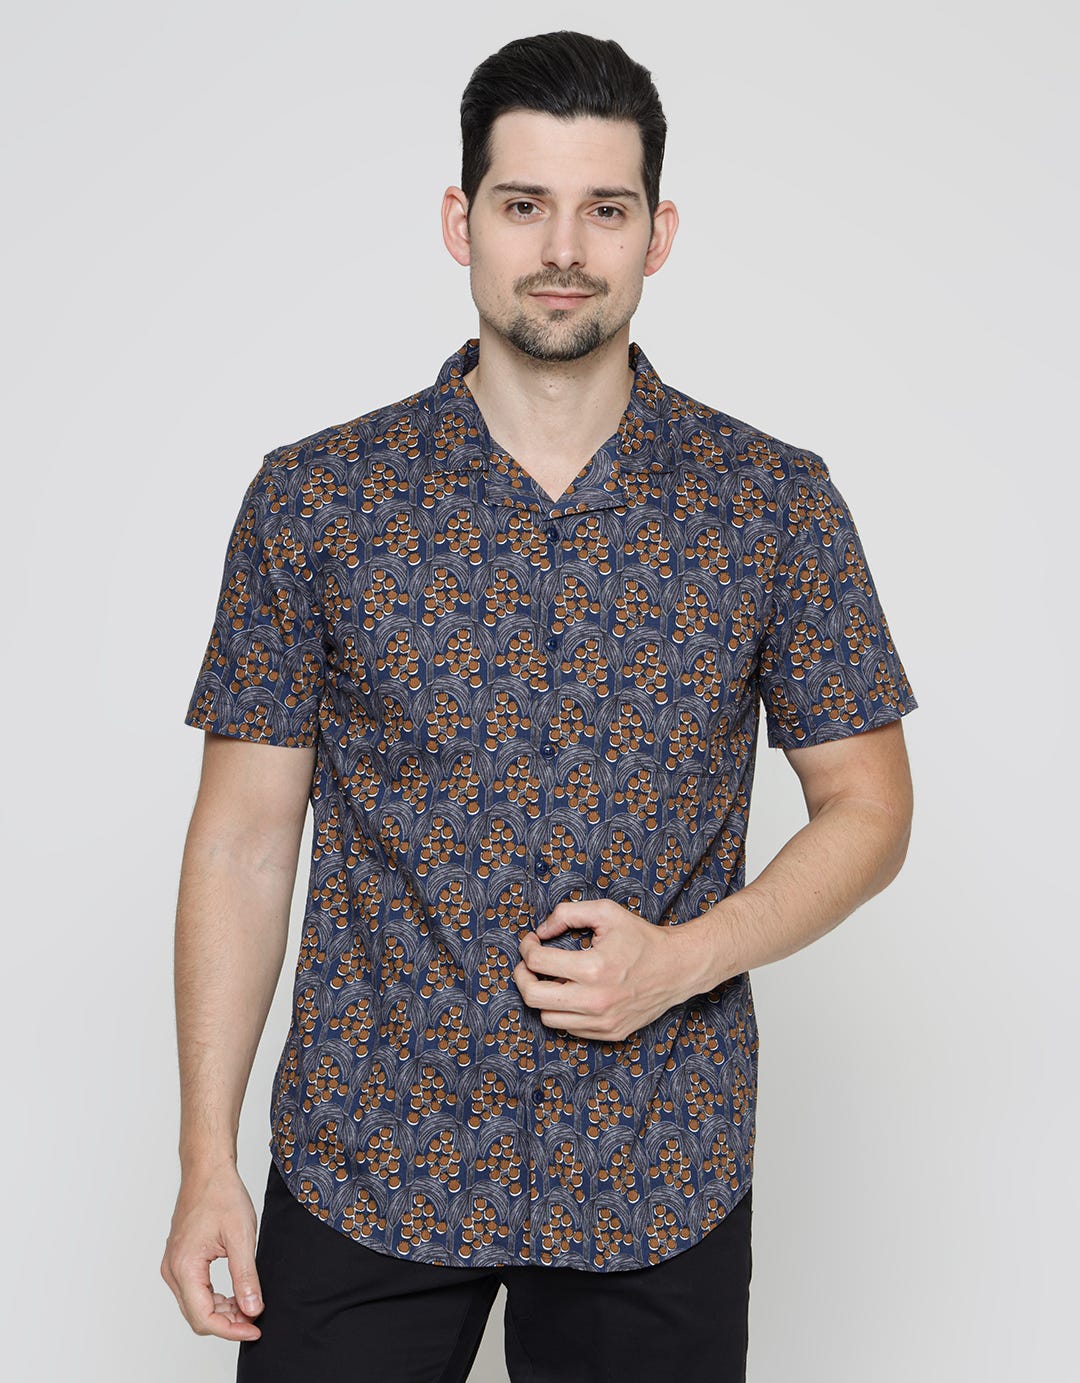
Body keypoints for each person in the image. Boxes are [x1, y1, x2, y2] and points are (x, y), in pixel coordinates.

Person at [161, 29, 917, 1383]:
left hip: (657, 1166)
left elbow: (870, 808)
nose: (564, 248)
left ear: (657, 234)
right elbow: (242, 841)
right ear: (462, 222)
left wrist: (685, 960)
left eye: (604, 209)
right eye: (525, 204)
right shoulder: (317, 502)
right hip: (369, 1157)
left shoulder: (772, 505)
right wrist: (205, 1157)